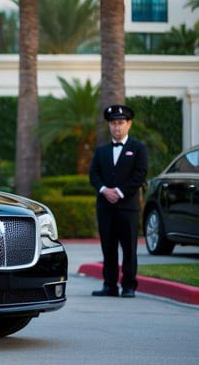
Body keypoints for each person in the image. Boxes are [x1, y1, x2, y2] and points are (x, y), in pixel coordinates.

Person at [89, 105, 148, 298]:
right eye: (113, 123)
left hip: (127, 208)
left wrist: (120, 192)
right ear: (109, 126)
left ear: (129, 124)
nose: (117, 127)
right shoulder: (101, 151)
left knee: (129, 249)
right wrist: (105, 190)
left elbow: (140, 175)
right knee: (109, 248)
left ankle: (129, 286)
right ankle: (110, 286)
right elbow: (94, 175)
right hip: (105, 207)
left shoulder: (138, 148)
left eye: (121, 123)